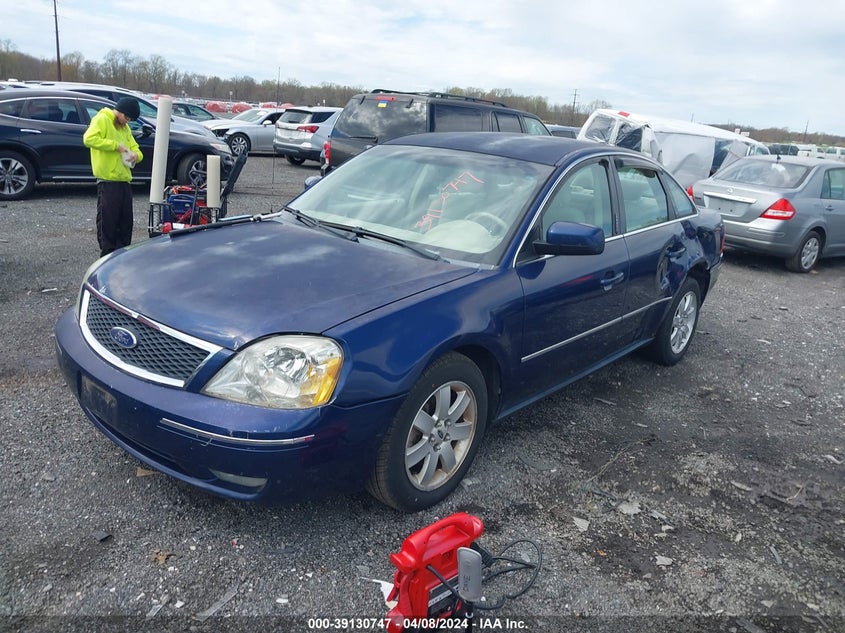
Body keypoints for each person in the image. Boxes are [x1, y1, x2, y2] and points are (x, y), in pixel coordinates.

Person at [83, 97, 143, 256]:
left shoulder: (125, 128)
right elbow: (89, 139)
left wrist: (136, 155)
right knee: (108, 222)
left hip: (124, 179)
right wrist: (115, 146)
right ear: (120, 111)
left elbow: (136, 148)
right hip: (107, 180)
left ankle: (123, 253)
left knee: (126, 222)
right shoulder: (102, 119)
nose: (127, 121)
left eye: (130, 120)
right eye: (127, 117)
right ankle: (107, 254)